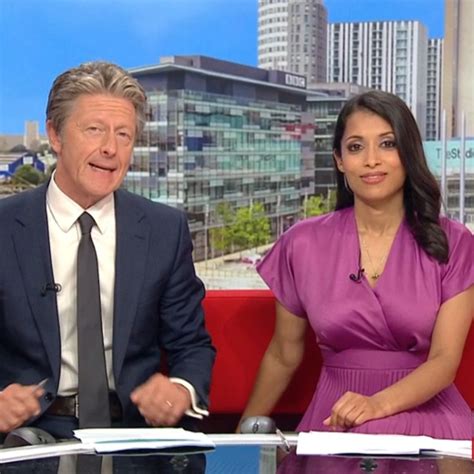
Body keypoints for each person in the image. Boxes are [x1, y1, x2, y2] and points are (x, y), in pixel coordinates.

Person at [240, 90, 473, 439]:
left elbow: (444, 361)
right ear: (339, 160)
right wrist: (240, 437)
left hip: (425, 415)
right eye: (355, 147)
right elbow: (284, 354)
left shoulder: (454, 242)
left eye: (387, 144)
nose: (371, 160)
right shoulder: (301, 243)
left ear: (408, 153)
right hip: (335, 415)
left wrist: (377, 405)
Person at [0, 61, 215, 438]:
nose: (110, 149)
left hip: (134, 432)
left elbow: (191, 344)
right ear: (55, 135)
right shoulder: (5, 227)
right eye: (94, 130)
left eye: (124, 134)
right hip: (26, 434)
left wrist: (180, 390)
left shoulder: (164, 230)